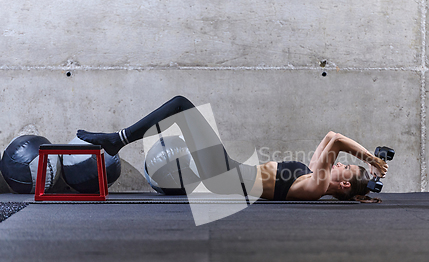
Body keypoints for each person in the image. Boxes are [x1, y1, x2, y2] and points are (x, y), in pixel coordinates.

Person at [77, 96, 388, 202]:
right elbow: (331, 135)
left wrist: (371, 159)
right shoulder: (311, 175)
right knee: (180, 106)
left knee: (181, 106)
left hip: (223, 177)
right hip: (226, 171)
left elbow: (337, 142)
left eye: (343, 167)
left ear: (344, 183)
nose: (337, 164)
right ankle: (116, 140)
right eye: (342, 163)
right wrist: (371, 162)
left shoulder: (317, 186)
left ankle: (117, 140)